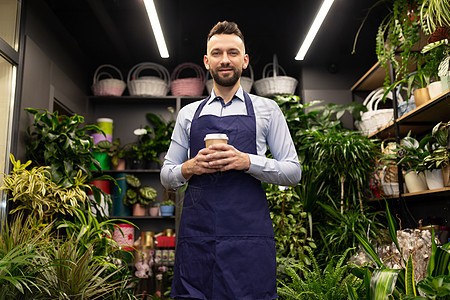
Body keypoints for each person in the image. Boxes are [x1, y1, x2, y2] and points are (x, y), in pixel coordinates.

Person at [160, 20, 301, 300]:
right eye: (217, 53)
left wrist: (248, 161)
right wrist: (190, 167)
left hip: (249, 242)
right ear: (207, 61)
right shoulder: (188, 115)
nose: (225, 60)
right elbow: (167, 176)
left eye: (233, 53)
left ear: (245, 60)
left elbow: (293, 172)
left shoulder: (267, 110)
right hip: (198, 242)